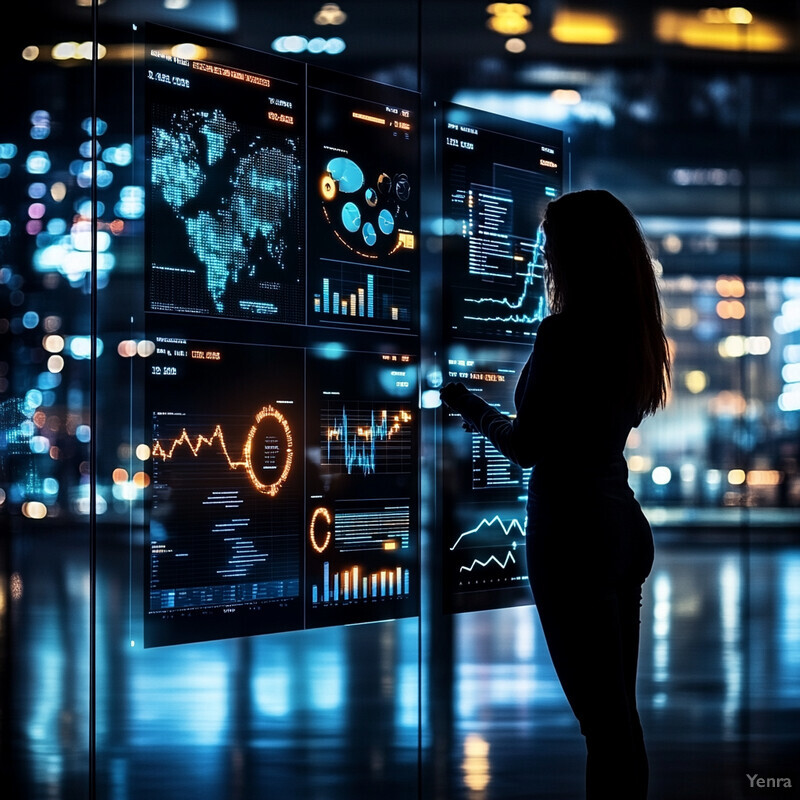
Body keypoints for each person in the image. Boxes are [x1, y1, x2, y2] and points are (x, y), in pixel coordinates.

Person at [439, 189, 671, 800]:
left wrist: (468, 406)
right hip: (621, 524)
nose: (545, 261)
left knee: (604, 729)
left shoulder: (563, 335)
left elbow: (528, 446)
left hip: (571, 532)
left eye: (551, 248)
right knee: (620, 722)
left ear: (573, 256)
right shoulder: (634, 334)